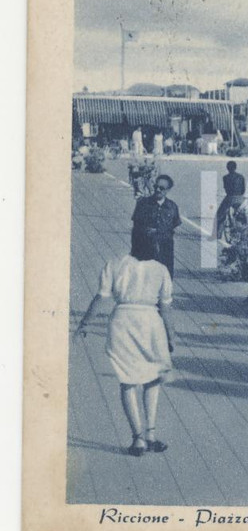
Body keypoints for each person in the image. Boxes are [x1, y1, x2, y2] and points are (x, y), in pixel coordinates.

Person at [73, 238, 176, 456]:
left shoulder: (115, 263)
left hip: (122, 321)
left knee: (128, 380)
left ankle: (138, 439)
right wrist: (171, 336)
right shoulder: (160, 269)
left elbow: (100, 297)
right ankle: (150, 435)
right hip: (151, 323)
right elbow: (166, 308)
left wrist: (85, 323)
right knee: (153, 379)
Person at [130, 174, 182, 277]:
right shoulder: (143, 204)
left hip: (164, 250)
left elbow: (174, 225)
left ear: (167, 190)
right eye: (156, 187)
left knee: (164, 278)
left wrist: (159, 232)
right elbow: (135, 227)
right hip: (144, 249)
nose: (158, 190)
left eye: (161, 188)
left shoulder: (172, 207)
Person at [215, 160, 246, 239]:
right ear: (236, 167)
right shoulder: (241, 177)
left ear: (227, 168)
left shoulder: (225, 177)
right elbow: (243, 190)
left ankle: (218, 234)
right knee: (242, 214)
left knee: (220, 214)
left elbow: (226, 190)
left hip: (230, 198)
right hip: (240, 198)